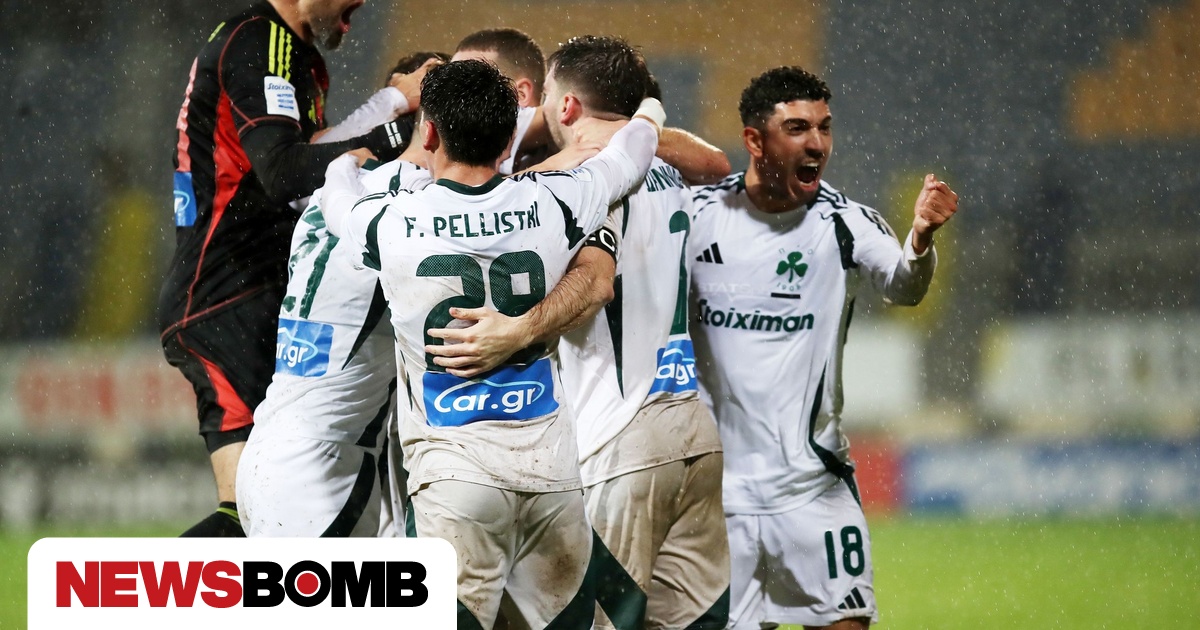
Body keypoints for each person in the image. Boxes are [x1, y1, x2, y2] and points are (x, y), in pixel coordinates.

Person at [320, 59, 665, 628]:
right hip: (551, 475)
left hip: (455, 480)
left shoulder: (388, 222)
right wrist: (649, 109)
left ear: (431, 133)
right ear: (509, 141)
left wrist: (346, 161)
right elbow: (632, 154)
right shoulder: (557, 200)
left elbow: (335, 195)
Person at [427, 36, 730, 630]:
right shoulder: (667, 170)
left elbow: (594, 287)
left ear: (565, 105)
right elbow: (714, 165)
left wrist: (514, 332)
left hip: (620, 436)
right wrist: (637, 123)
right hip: (692, 428)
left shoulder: (586, 182)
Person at [687, 66, 959, 629]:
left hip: (814, 488)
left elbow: (904, 286)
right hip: (717, 502)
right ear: (754, 140)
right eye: (797, 128)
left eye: (824, 127)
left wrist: (921, 239)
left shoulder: (846, 223)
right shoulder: (697, 217)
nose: (817, 143)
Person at [160, 0, 422, 537]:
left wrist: (391, 103)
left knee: (255, 514)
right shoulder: (259, 40)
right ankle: (118, 589)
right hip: (229, 296)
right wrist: (397, 132)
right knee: (253, 517)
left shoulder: (287, 49)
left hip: (232, 294)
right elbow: (284, 173)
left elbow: (309, 163)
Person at [236, 52, 447, 538]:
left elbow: (319, 162)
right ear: (435, 132)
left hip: (270, 445)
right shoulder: (412, 209)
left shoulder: (334, 190)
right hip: (324, 471)